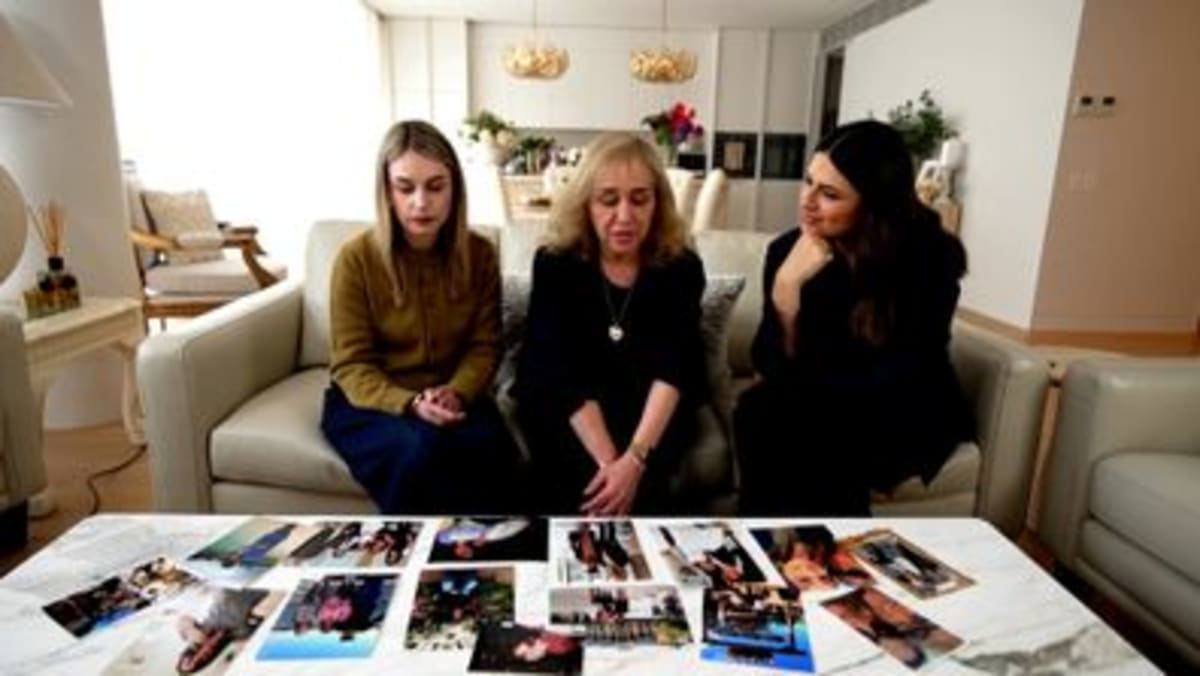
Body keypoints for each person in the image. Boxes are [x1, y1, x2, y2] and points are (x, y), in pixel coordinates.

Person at [735, 119, 974, 516]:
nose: (807, 202)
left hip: (903, 402)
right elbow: (768, 365)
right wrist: (786, 292)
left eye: (829, 194)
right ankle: (763, 551)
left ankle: (826, 557)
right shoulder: (786, 252)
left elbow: (904, 371)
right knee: (758, 410)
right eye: (807, 181)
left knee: (816, 427)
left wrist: (806, 389)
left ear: (873, 203)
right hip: (821, 397)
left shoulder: (927, 257)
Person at [321, 120, 521, 514]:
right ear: (386, 191)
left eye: (435, 186)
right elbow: (352, 364)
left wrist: (457, 391)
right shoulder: (355, 259)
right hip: (373, 402)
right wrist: (410, 404)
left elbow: (485, 347)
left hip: (456, 397)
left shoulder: (478, 254)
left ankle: (500, 565)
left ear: (454, 189)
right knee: (419, 450)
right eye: (405, 187)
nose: (420, 202)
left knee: (497, 455)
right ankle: (413, 566)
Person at [513, 132, 708, 516]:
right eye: (608, 200)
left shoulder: (681, 268)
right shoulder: (556, 263)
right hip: (572, 408)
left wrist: (633, 461)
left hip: (648, 415)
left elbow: (675, 369)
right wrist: (609, 465)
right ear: (586, 202)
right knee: (575, 483)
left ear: (658, 203)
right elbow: (559, 373)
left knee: (650, 490)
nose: (624, 216)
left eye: (639, 199)